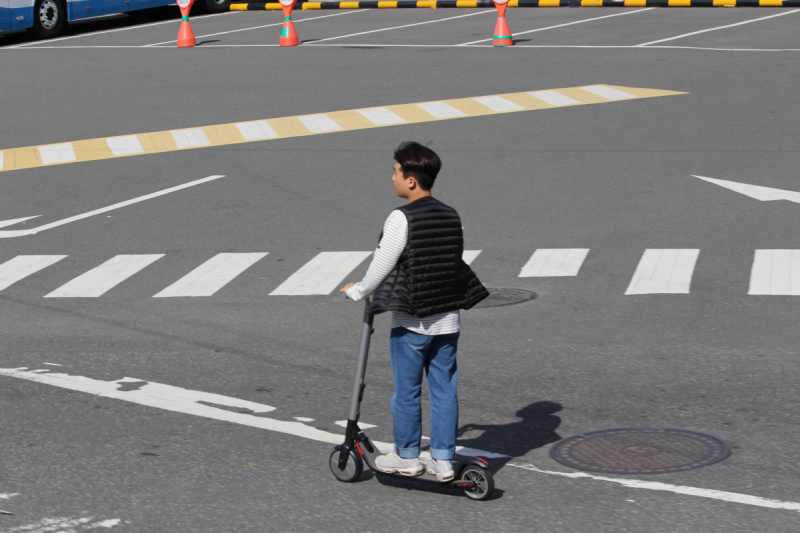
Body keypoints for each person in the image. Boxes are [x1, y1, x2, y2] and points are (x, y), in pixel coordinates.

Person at [339, 141, 488, 482]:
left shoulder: (401, 218)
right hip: (448, 320)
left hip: (412, 323)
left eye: (394, 171)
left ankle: (407, 455)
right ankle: (444, 459)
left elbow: (382, 265)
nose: (391, 177)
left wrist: (358, 291)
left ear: (410, 180)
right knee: (444, 390)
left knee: (407, 391)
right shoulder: (451, 214)